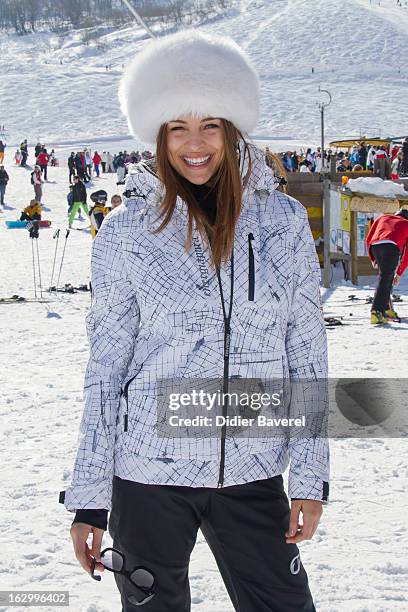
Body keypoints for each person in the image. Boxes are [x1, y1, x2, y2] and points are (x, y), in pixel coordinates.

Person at [61, 31, 328, 612]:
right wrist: (88, 500)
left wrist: (309, 477)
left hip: (253, 472)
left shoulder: (281, 223)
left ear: (232, 130)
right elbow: (106, 368)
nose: (195, 144)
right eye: (177, 127)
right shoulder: (127, 231)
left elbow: (306, 349)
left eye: (210, 125)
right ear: (158, 136)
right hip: (146, 478)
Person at [366, 208, 408, 324]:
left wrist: (372, 257)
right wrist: (399, 274)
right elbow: (407, 254)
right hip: (391, 246)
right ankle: (376, 312)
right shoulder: (406, 224)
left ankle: (386, 308)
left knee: (385, 278)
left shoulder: (382, 218)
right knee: (386, 278)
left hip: (375, 245)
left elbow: (369, 237)